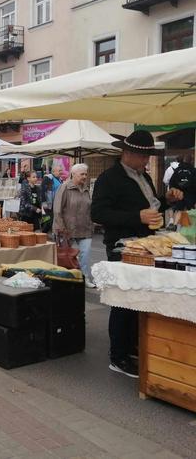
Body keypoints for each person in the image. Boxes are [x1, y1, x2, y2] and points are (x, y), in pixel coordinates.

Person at [92, 130, 183, 378]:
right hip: (122, 248)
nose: (147, 162)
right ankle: (117, 356)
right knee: (123, 301)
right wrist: (136, 216)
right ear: (127, 153)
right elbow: (98, 214)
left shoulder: (144, 177)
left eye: (148, 157)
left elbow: (151, 207)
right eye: (143, 157)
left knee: (139, 300)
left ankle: (132, 344)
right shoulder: (108, 179)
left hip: (144, 246)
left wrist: (166, 200)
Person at [52, 164, 95, 288]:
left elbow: (89, 208)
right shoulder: (64, 187)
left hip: (85, 227)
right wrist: (61, 228)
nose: (85, 176)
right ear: (73, 174)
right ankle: (66, 279)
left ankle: (84, 277)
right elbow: (57, 210)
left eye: (86, 174)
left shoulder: (86, 189)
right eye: (82, 174)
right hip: (67, 229)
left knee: (85, 255)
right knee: (66, 255)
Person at [40, 164, 63, 233]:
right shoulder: (48, 178)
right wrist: (44, 203)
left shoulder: (60, 179)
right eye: (59, 171)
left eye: (61, 170)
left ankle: (52, 234)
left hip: (56, 203)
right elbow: (42, 190)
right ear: (53, 171)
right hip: (48, 204)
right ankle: (43, 233)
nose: (61, 172)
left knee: (53, 220)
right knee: (47, 220)